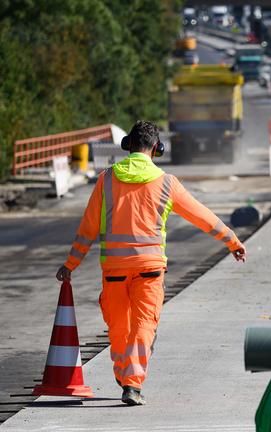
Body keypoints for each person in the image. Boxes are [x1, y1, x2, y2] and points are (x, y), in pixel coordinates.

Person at [55, 121, 246, 406]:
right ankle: (132, 383)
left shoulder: (106, 180)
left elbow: (87, 229)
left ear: (128, 145)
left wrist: (71, 264)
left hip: (114, 272)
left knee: (118, 327)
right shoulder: (167, 183)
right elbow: (201, 216)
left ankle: (125, 375)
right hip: (150, 270)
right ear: (157, 149)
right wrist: (232, 240)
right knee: (144, 325)